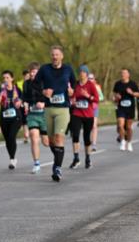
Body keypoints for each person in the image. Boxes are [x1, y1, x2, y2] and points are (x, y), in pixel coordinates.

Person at [36, 46, 76, 181]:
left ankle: (57, 168)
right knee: (52, 141)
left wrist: (72, 91)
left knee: (59, 138)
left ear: (62, 56)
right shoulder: (44, 69)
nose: (55, 57)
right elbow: (35, 84)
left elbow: (73, 84)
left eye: (57, 55)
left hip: (63, 109)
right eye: (53, 55)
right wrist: (43, 91)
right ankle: (57, 159)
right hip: (48, 109)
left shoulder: (68, 69)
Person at [69, 65, 100, 169]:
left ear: (87, 74)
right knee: (75, 135)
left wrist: (87, 96)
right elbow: (72, 96)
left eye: (83, 72)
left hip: (88, 115)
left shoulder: (91, 85)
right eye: (80, 72)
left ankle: (88, 158)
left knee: (86, 138)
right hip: (77, 113)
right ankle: (76, 158)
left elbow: (96, 99)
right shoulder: (76, 84)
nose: (81, 73)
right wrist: (72, 100)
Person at [0, 70, 23, 169]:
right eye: (4, 78)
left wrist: (19, 102)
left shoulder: (17, 89)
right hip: (4, 118)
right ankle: (12, 157)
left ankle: (12, 160)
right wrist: (2, 92)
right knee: (7, 140)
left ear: (12, 78)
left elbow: (20, 101)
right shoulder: (1, 89)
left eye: (7, 78)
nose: (5, 80)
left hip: (16, 117)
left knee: (11, 136)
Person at [22, 63, 47, 173]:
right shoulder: (26, 84)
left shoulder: (45, 83)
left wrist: (44, 104)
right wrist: (25, 104)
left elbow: (51, 97)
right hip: (32, 114)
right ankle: (36, 163)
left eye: (35, 72)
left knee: (46, 142)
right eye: (31, 71)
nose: (32, 73)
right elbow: (25, 97)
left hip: (44, 114)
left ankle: (57, 148)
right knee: (33, 137)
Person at [112, 68, 138, 152]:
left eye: (124, 73)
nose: (123, 74)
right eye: (122, 73)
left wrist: (132, 93)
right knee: (120, 125)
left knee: (129, 127)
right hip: (121, 108)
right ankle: (123, 141)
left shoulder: (133, 84)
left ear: (128, 75)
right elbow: (114, 96)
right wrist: (116, 97)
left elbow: (138, 94)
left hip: (130, 108)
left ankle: (129, 143)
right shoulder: (117, 84)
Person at [88, 72, 102, 151]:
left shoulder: (97, 87)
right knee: (88, 126)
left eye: (91, 78)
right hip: (86, 109)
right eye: (89, 78)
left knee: (94, 126)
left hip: (94, 108)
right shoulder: (85, 87)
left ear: (94, 80)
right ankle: (88, 141)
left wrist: (94, 98)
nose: (90, 80)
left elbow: (101, 97)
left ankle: (94, 144)